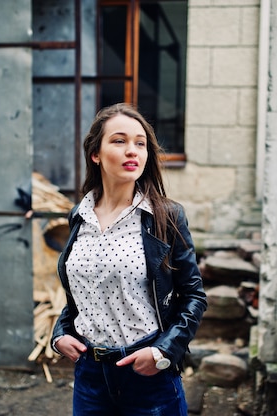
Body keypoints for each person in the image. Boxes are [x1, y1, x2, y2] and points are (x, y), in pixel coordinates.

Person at [51, 103, 207, 415]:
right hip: (89, 376)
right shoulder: (79, 216)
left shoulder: (166, 217)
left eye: (140, 143)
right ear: (96, 154)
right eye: (119, 141)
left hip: (147, 373)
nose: (131, 151)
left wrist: (163, 351)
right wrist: (60, 333)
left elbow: (194, 296)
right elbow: (82, 292)